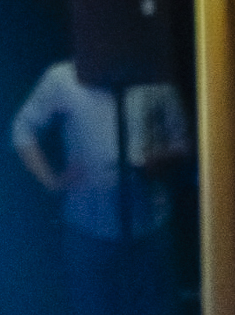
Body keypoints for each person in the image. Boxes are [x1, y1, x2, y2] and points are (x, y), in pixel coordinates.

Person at [12, 59, 190, 315]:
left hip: (149, 227)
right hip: (86, 231)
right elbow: (23, 128)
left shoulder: (154, 74)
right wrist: (52, 181)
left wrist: (158, 162)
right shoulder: (63, 78)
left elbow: (182, 143)